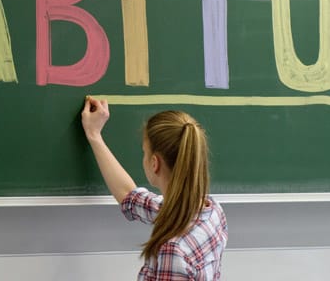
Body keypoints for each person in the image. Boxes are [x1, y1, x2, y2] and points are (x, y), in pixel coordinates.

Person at [81, 96, 228, 280]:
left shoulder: (173, 251)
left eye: (145, 151)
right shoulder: (211, 210)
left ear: (154, 163)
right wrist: (94, 136)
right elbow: (130, 196)